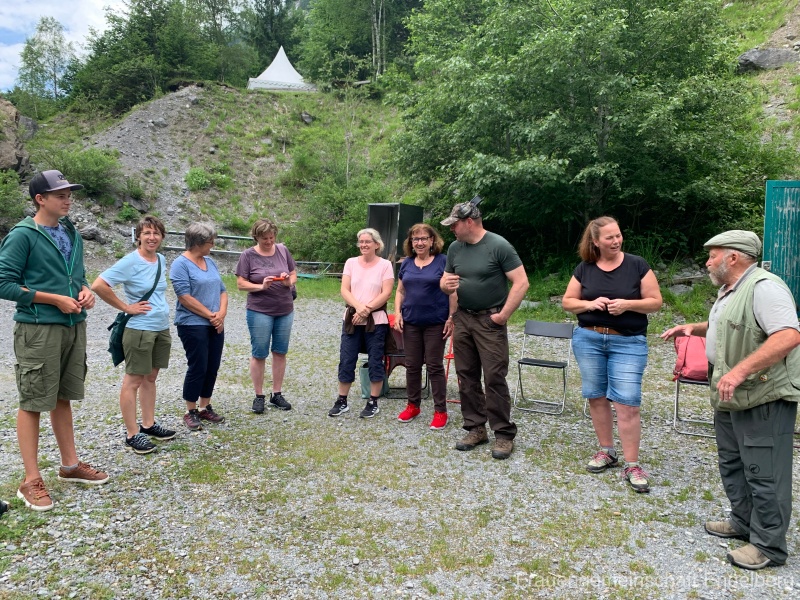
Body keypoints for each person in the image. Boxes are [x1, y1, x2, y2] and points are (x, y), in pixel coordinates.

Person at [662, 230, 800, 570]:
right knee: (733, 462)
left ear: (733, 257)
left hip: (763, 395)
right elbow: (730, 325)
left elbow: (787, 335)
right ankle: (743, 522)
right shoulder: (730, 290)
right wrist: (693, 328)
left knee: (765, 472)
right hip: (733, 394)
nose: (707, 262)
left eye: (713, 255)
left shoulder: (765, 288)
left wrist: (739, 372)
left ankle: (768, 546)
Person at [0, 170, 109, 512]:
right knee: (33, 401)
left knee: (62, 396)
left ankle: (69, 466)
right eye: (60, 194)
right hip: (38, 328)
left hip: (73, 325)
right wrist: (53, 299)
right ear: (40, 199)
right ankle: (30, 479)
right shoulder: (23, 235)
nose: (67, 200)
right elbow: (4, 283)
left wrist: (85, 290)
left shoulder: (70, 231)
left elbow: (77, 276)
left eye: (69, 194)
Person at [562, 216, 662, 493]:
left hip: (628, 341)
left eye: (618, 235)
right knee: (596, 396)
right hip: (589, 339)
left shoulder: (637, 265)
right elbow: (568, 302)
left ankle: (632, 464)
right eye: (609, 237)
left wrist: (628, 305)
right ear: (596, 241)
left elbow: (655, 302)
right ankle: (607, 451)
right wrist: (589, 303)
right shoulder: (585, 268)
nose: (616, 241)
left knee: (627, 403)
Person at [439, 200, 529, 459]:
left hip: (490, 321)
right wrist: (446, 291)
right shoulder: (455, 248)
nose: (451, 229)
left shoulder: (498, 245)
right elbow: (446, 282)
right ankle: (475, 428)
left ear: (469, 222)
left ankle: (503, 434)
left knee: (494, 377)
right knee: (466, 375)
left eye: (454, 224)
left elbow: (521, 282)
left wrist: (502, 316)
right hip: (463, 318)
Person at [92, 216, 175, 454]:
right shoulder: (130, 261)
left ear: (162, 237)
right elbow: (99, 285)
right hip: (139, 328)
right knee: (133, 381)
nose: (152, 238)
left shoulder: (160, 259)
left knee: (151, 377)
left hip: (160, 326)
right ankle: (132, 434)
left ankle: (148, 424)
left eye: (156, 233)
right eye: (147, 233)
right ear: (138, 236)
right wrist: (126, 307)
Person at [394, 223, 456, 429]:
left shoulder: (443, 261)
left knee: (434, 366)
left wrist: (451, 317)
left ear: (432, 241)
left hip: (436, 323)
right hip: (411, 322)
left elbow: (453, 292)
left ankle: (440, 411)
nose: (419, 242)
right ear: (411, 242)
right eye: (415, 239)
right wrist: (398, 313)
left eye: (423, 238)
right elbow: (400, 291)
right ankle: (413, 405)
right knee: (412, 365)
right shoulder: (407, 263)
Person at [328, 228, 394, 419]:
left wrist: (367, 310)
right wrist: (359, 308)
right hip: (352, 319)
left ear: (377, 244)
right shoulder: (351, 263)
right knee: (347, 359)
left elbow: (386, 293)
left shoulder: (385, 265)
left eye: (367, 242)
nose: (364, 245)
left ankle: (373, 401)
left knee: (375, 360)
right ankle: (342, 400)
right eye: (361, 242)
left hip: (376, 320)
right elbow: (344, 289)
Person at [170, 222, 228, 431]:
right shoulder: (180, 264)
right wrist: (211, 315)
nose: (212, 245)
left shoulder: (210, 262)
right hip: (192, 324)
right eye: (210, 241)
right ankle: (190, 410)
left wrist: (221, 314)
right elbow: (184, 297)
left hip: (215, 322)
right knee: (198, 366)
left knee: (212, 365)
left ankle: (205, 406)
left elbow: (222, 290)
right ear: (198, 242)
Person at [235, 218, 297, 413]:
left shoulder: (283, 250)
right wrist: (261, 286)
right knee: (259, 352)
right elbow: (241, 284)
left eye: (271, 238)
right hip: (259, 310)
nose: (269, 241)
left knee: (280, 352)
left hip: (284, 309)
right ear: (256, 237)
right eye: (264, 239)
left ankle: (276, 393)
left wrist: (288, 282)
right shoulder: (247, 255)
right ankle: (259, 395)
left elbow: (293, 273)